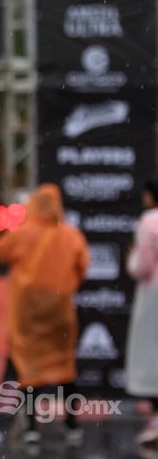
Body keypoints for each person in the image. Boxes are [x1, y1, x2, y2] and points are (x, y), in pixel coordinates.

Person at [0, 183, 88, 450]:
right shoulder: (71, 236)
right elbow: (82, 266)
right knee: (65, 368)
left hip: (27, 317)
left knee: (28, 371)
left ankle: (32, 427)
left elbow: (0, 251)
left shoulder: (23, 234)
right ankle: (72, 424)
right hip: (60, 315)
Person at [125, 179, 158, 446]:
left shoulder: (149, 221)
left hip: (154, 296)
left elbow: (143, 266)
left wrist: (131, 258)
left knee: (152, 354)